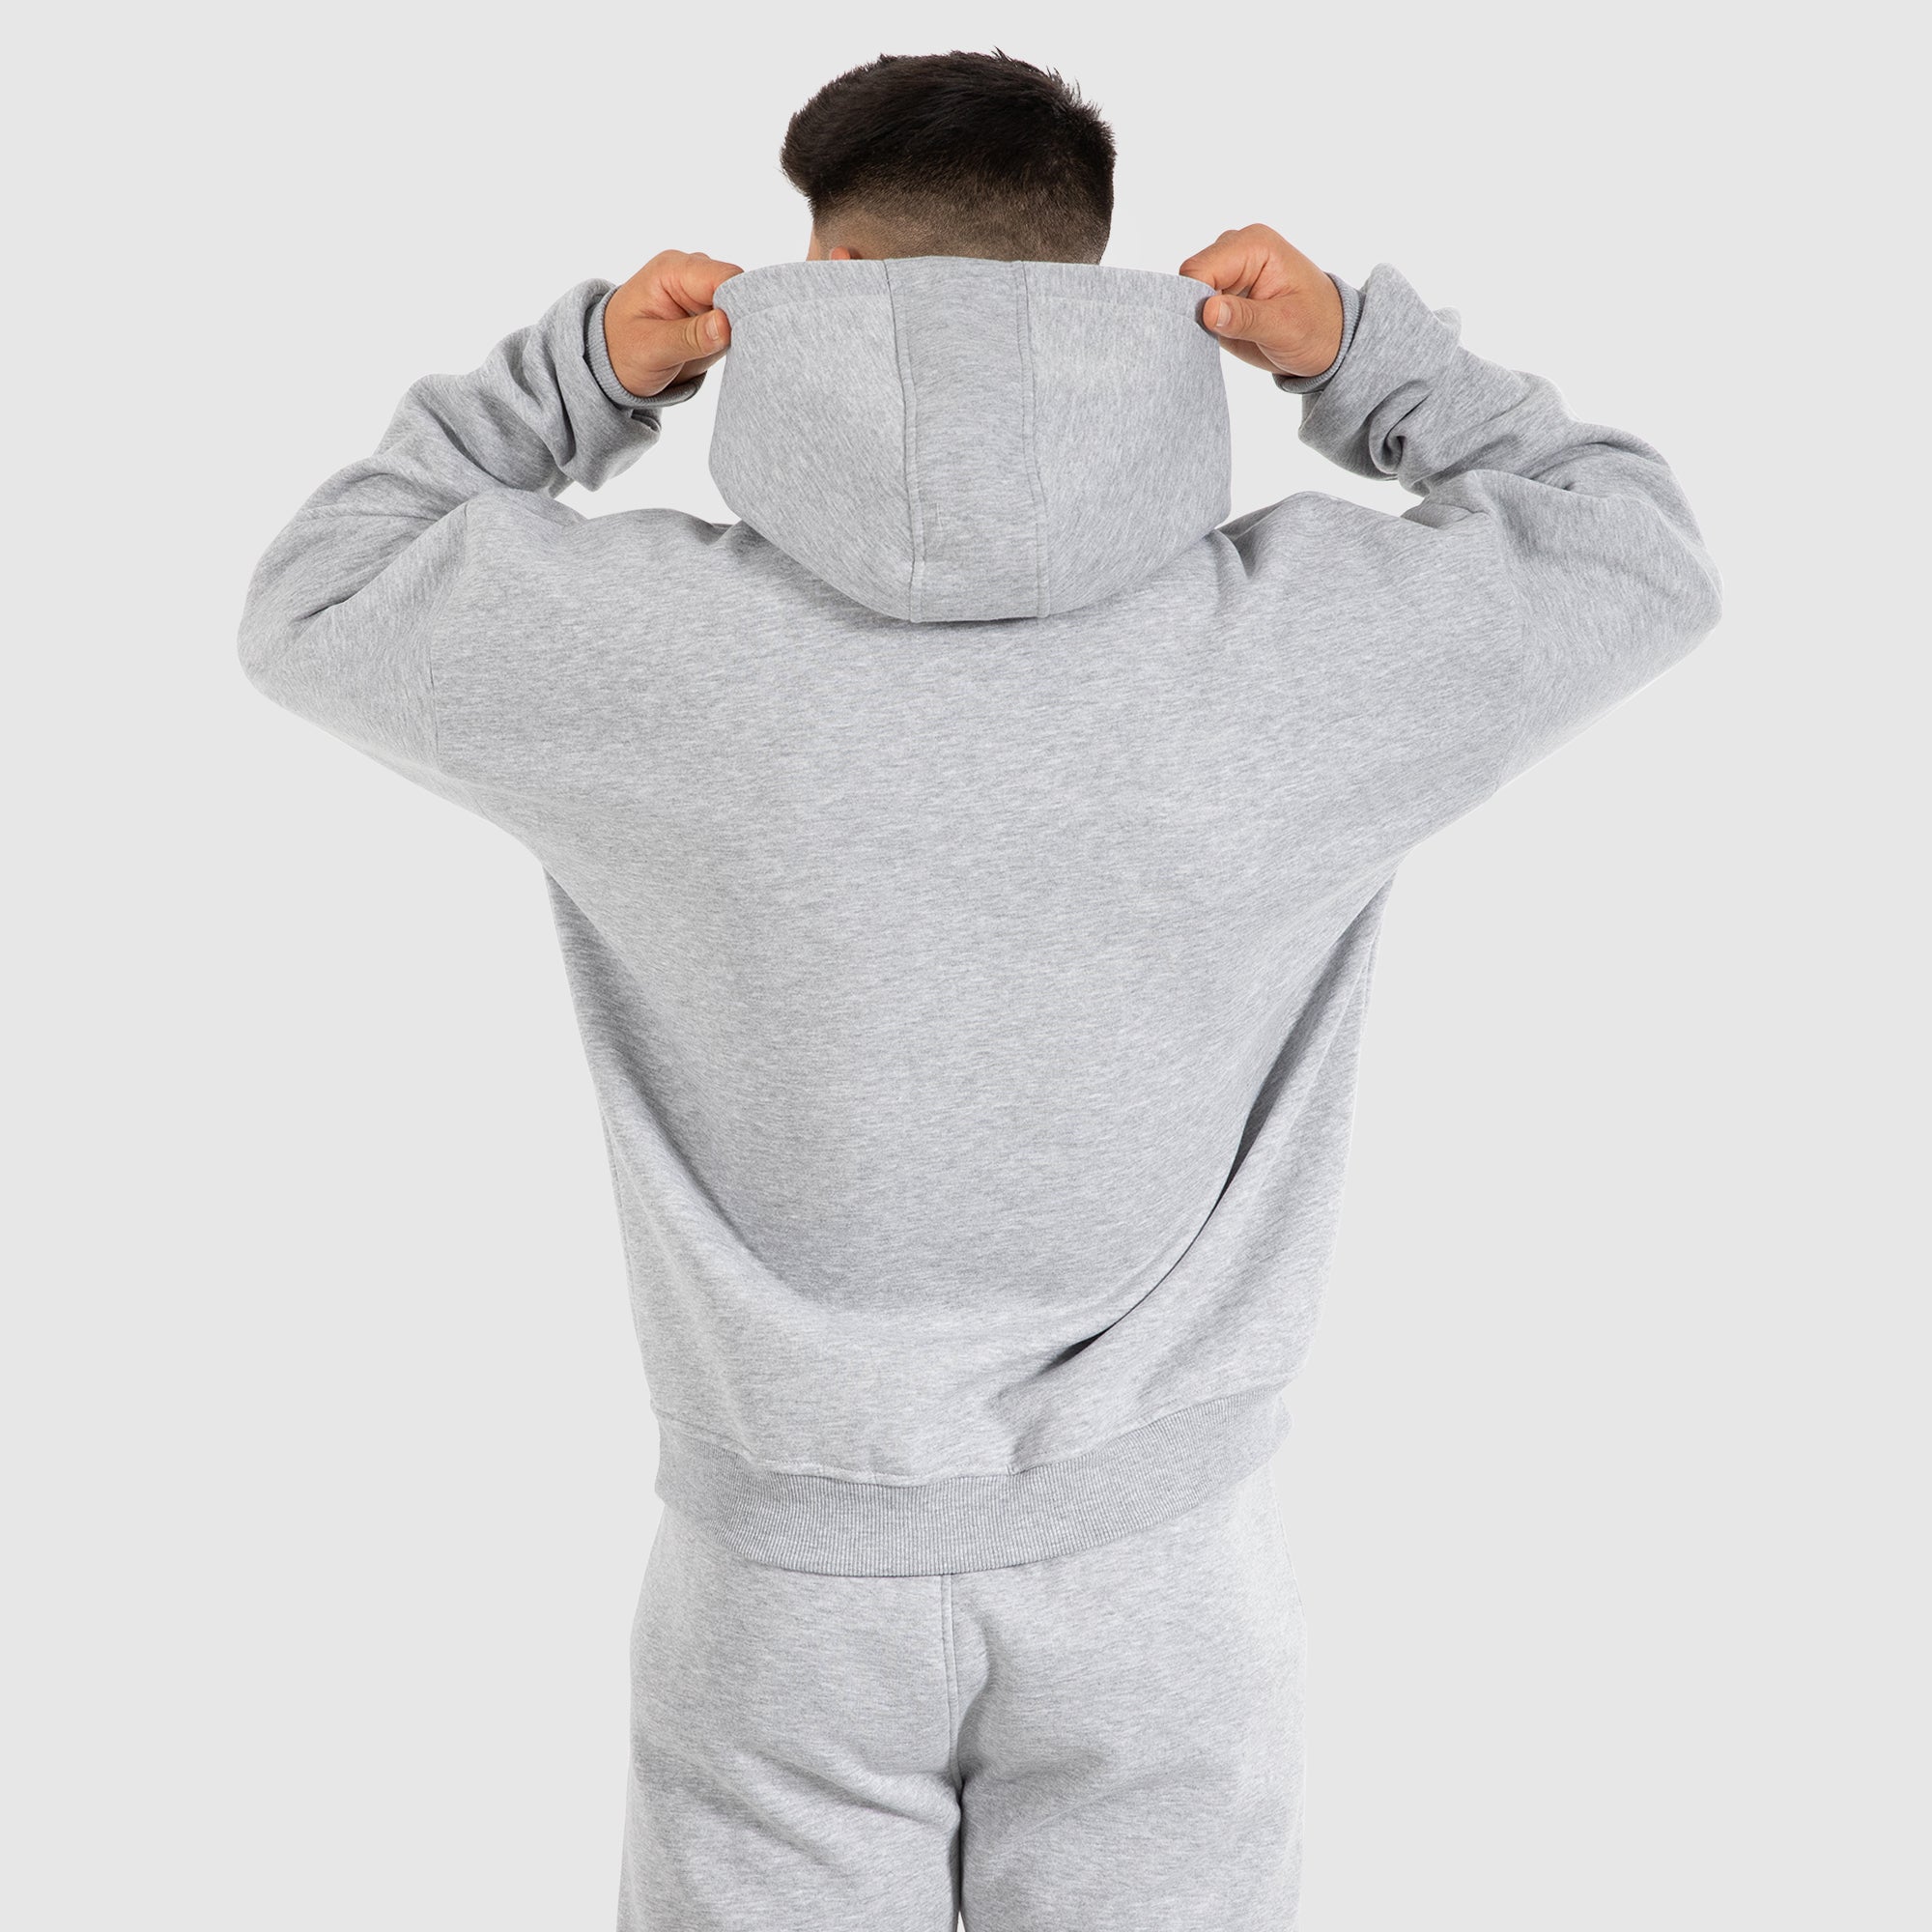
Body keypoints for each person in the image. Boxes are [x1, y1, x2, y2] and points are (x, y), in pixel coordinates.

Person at [238, 46, 1721, 1932]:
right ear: (1095, 271)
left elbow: (321, 590)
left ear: (829, 285)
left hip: (781, 1587)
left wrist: (587, 374)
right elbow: (1633, 552)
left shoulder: (646, 653)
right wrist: (1357, 356)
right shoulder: (1301, 650)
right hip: (1164, 1581)